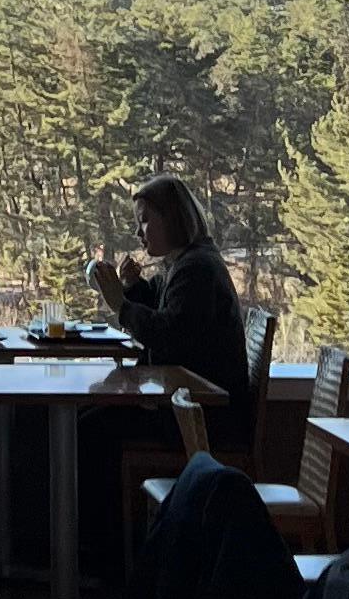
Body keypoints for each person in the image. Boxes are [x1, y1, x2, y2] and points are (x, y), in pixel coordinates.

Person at [92, 180, 256, 451]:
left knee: (91, 428)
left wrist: (121, 306)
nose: (137, 232)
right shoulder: (184, 264)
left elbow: (170, 334)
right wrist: (134, 288)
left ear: (173, 219)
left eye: (144, 221)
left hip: (203, 419)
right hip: (191, 407)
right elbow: (163, 307)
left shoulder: (197, 269)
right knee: (89, 418)